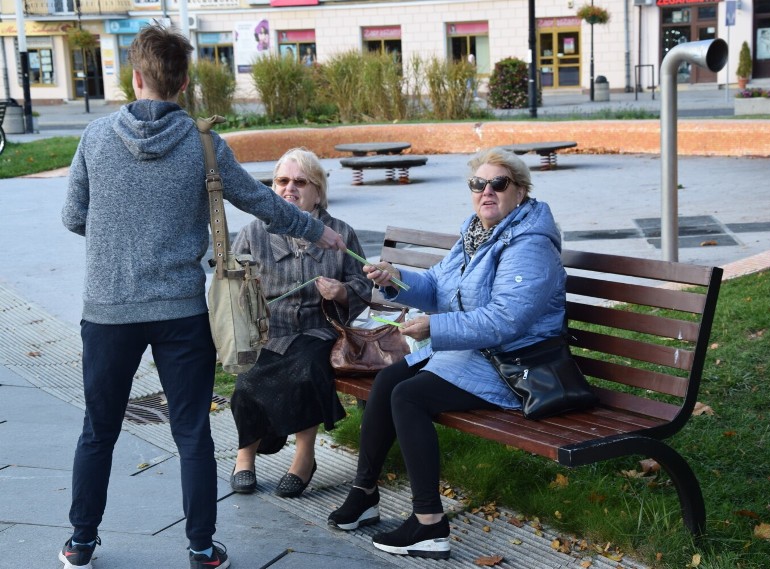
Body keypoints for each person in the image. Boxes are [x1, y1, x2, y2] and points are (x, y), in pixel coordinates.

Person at [59, 24, 345, 569]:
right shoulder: (203, 143)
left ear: (135, 78)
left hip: (108, 311)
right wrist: (317, 231)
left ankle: (81, 543)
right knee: (190, 430)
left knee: (98, 430)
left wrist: (121, 229)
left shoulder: (94, 138)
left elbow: (74, 218)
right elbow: (260, 200)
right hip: (181, 313)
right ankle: (200, 549)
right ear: (185, 81)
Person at [326, 147, 566, 560]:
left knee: (409, 395)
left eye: (498, 183)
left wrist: (435, 327)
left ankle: (429, 524)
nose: (486, 191)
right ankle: (364, 493)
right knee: (387, 381)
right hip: (477, 352)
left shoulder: (530, 244)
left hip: (515, 365)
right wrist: (397, 279)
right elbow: (437, 285)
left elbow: (506, 320)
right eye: (478, 184)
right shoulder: (477, 233)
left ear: (521, 192)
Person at [229, 148, 372, 498]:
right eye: (282, 181)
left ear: (318, 191)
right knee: (249, 375)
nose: (289, 188)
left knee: (307, 369)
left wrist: (340, 292)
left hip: (317, 328)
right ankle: (244, 456)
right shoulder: (253, 232)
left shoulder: (339, 232)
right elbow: (231, 286)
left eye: (300, 182)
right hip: (268, 329)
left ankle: (304, 459)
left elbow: (363, 286)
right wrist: (248, 290)